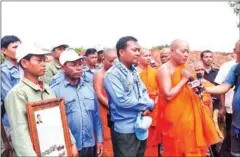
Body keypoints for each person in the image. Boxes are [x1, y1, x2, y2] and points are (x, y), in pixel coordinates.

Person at [4, 44, 78, 156]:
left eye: (44, 60)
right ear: (24, 63)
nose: (44, 64)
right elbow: (20, 135)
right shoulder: (18, 94)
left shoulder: (47, 88)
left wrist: (71, 144)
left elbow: (60, 120)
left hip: (55, 150)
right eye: (39, 61)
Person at [156, 39, 220, 157]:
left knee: (193, 150)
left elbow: (192, 87)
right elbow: (168, 95)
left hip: (191, 116)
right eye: (183, 51)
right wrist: (184, 79)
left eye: (188, 51)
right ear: (172, 51)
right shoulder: (164, 69)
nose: (186, 54)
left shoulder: (186, 67)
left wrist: (196, 88)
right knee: (176, 150)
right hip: (175, 118)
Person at [104, 36, 154, 157]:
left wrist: (146, 105)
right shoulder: (112, 74)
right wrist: (149, 104)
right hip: (125, 131)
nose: (138, 53)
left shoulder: (133, 71)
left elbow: (143, 91)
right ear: (122, 52)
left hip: (140, 126)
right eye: (134, 50)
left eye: (138, 50)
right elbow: (122, 100)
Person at [51, 49, 103, 157]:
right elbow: (55, 123)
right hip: (69, 146)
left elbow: (96, 116)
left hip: (90, 144)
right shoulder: (55, 91)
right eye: (73, 65)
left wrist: (99, 139)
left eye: (80, 64)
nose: (79, 67)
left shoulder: (89, 88)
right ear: (63, 67)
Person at [205, 40, 240, 157]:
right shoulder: (236, 68)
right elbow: (224, 87)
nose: (237, 57)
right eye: (238, 53)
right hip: (237, 122)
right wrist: (205, 88)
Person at [93, 48, 117, 157]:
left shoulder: (118, 73)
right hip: (105, 111)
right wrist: (113, 107)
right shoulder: (99, 74)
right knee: (107, 137)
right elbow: (99, 94)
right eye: (110, 61)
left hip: (118, 113)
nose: (113, 64)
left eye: (115, 61)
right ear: (103, 59)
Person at [136, 48, 159, 157]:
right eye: (146, 56)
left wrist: (151, 107)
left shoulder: (155, 72)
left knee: (152, 143)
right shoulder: (134, 73)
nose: (149, 58)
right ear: (138, 57)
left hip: (153, 109)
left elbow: (160, 93)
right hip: (138, 111)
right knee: (139, 142)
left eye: (150, 55)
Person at [1, 35, 21, 153]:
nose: (18, 50)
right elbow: (9, 97)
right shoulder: (4, 71)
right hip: (13, 120)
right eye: (15, 47)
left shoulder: (24, 66)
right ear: (3, 50)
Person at [194, 61, 224, 139]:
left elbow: (211, 102)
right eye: (197, 70)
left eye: (202, 69)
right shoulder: (188, 84)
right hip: (192, 116)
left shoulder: (209, 85)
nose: (200, 72)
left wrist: (210, 117)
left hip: (205, 115)